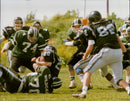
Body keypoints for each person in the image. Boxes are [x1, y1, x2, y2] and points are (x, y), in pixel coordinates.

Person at [72, 11, 130, 98]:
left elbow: (90, 46)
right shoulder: (110, 23)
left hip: (106, 51)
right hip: (118, 52)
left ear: (91, 19)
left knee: (87, 70)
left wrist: (85, 55)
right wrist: (124, 51)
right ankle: (129, 89)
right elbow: (118, 39)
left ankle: (83, 93)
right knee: (119, 79)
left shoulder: (91, 27)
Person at [65, 19, 86, 89]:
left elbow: (77, 42)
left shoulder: (84, 31)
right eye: (75, 26)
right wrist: (68, 40)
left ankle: (87, 83)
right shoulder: (71, 32)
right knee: (70, 63)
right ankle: (72, 82)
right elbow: (71, 38)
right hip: (80, 50)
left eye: (78, 26)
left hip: (87, 50)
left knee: (82, 67)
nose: (77, 28)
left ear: (81, 26)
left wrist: (68, 43)